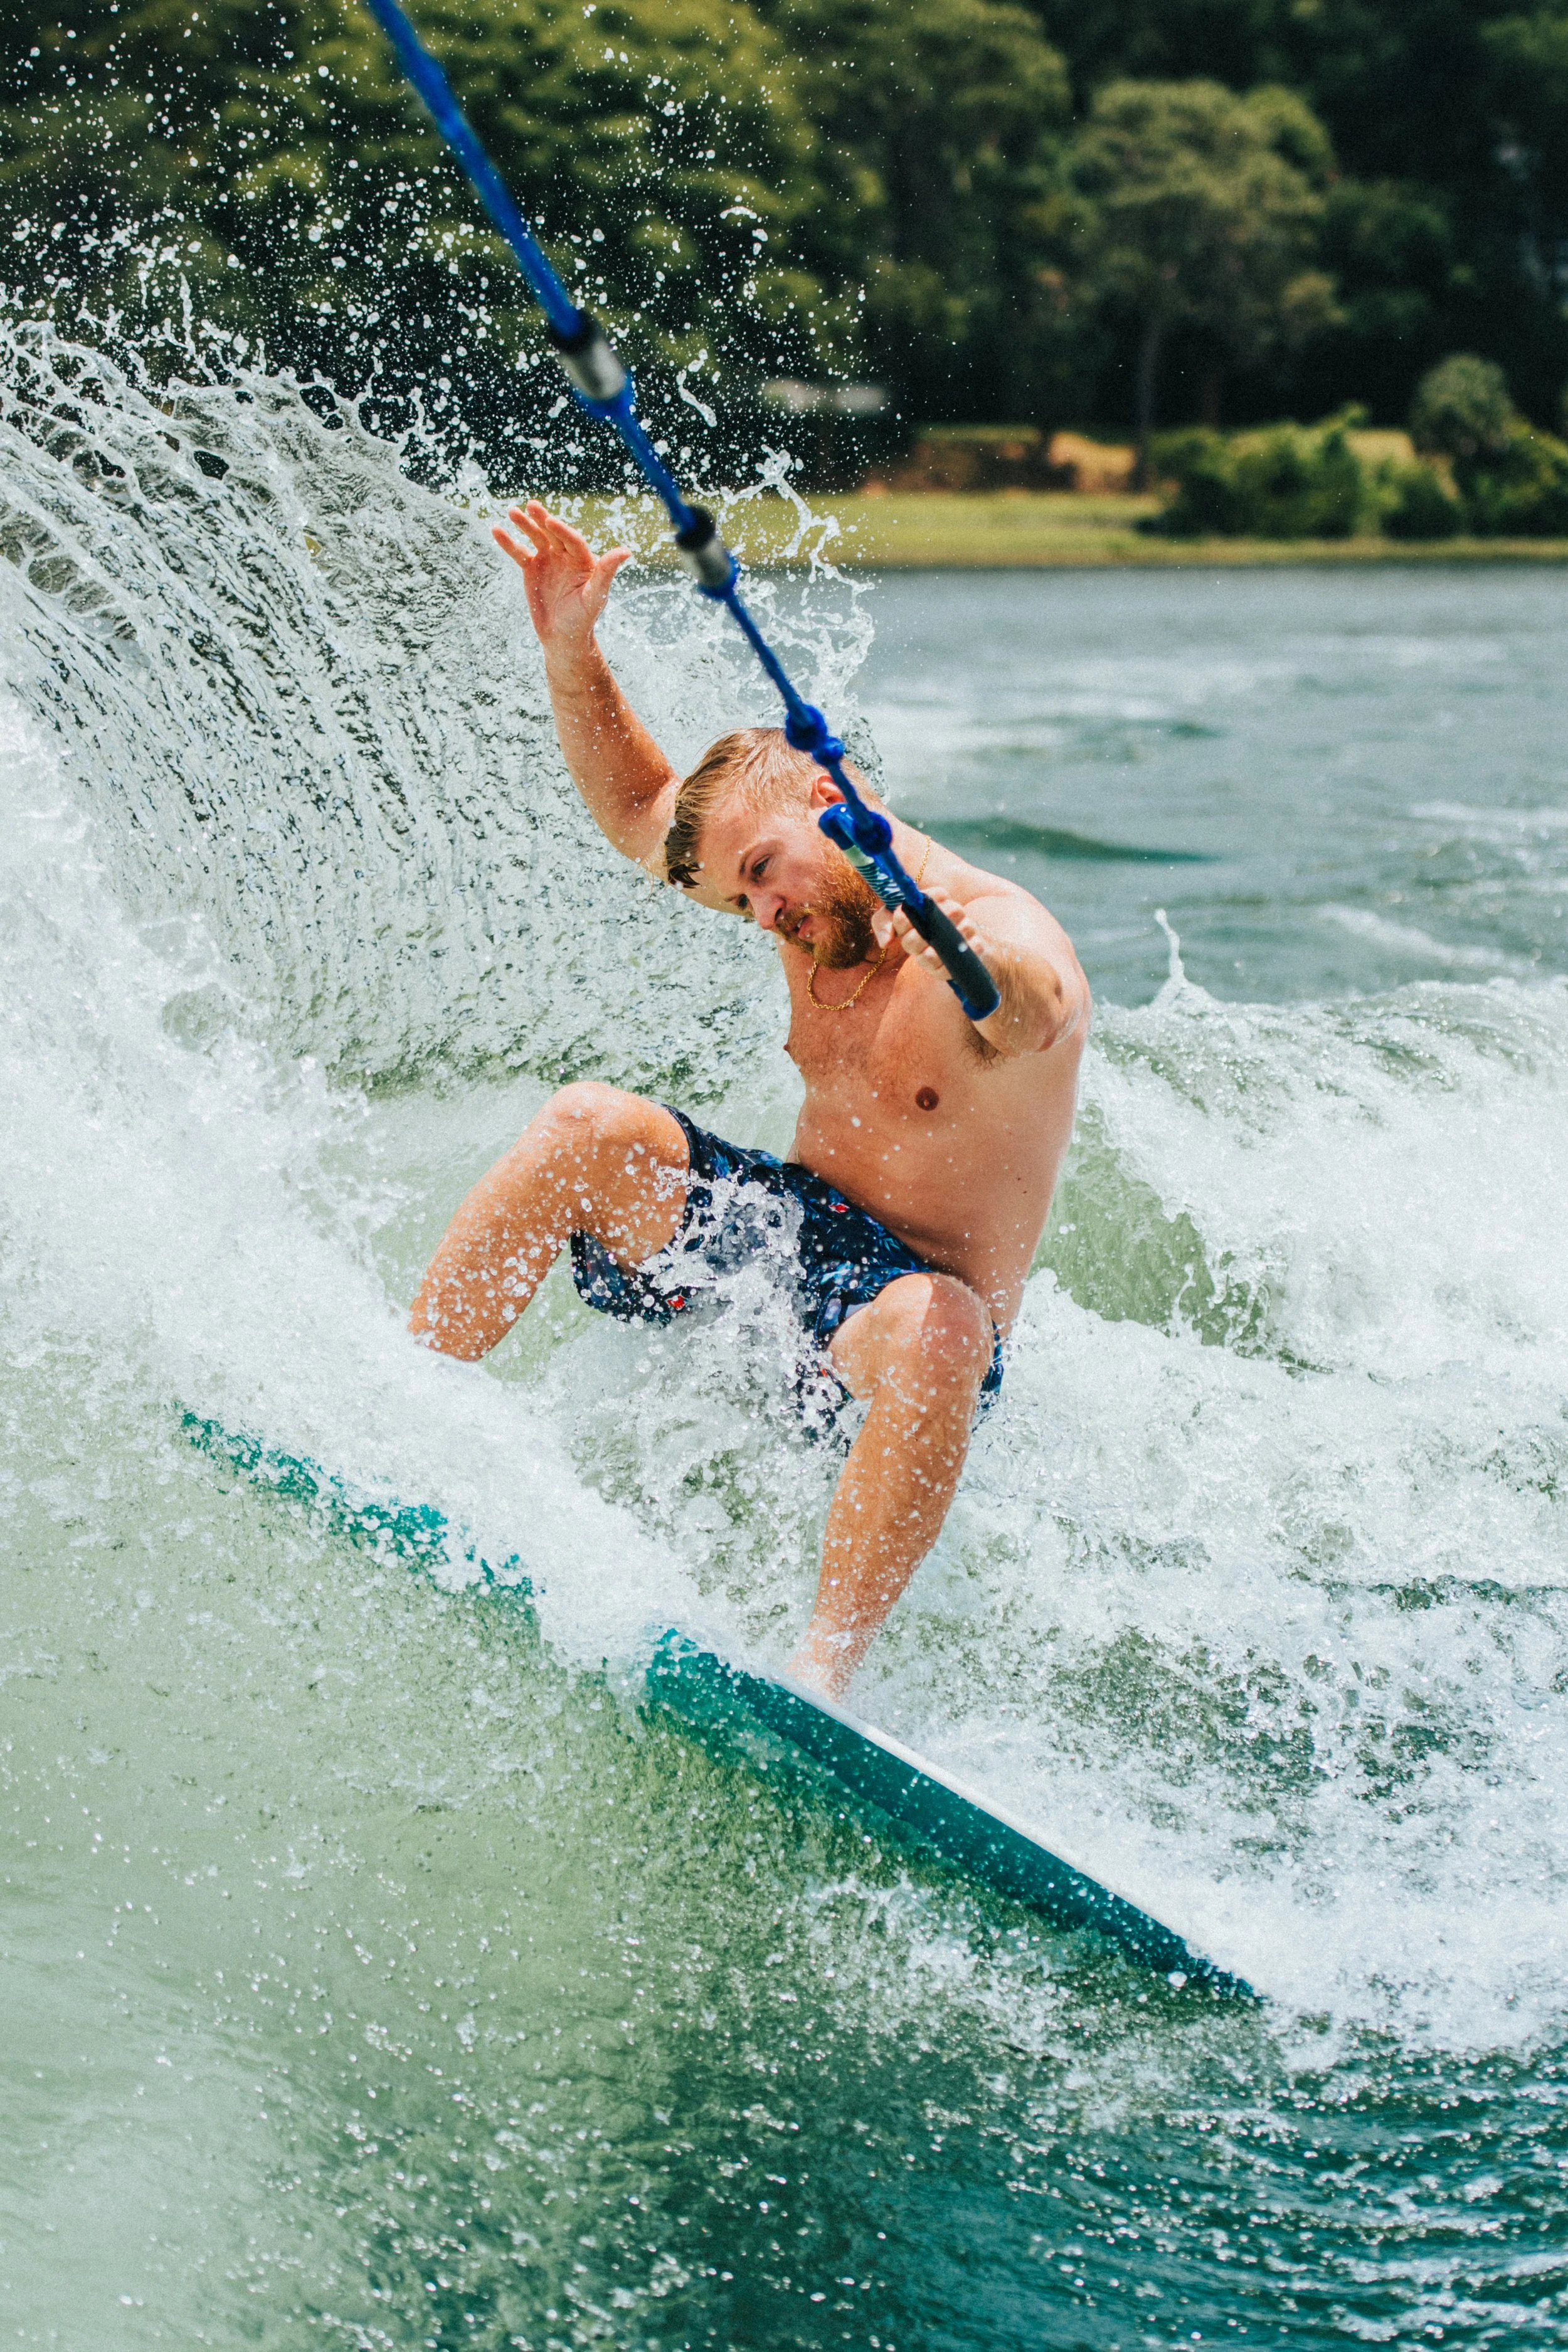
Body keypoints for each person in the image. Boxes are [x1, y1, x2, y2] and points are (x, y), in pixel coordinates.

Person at [411, 502, 1090, 1700]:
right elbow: (638, 812)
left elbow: (1031, 1008)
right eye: (740, 899)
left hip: (899, 1329)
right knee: (584, 1127)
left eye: (764, 875)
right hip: (778, 1250)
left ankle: (819, 1679)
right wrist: (572, 650)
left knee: (944, 1328)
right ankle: (398, 1408)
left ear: (837, 799)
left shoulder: (997, 938)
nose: (760, 915)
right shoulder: (801, 905)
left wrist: (936, 930)